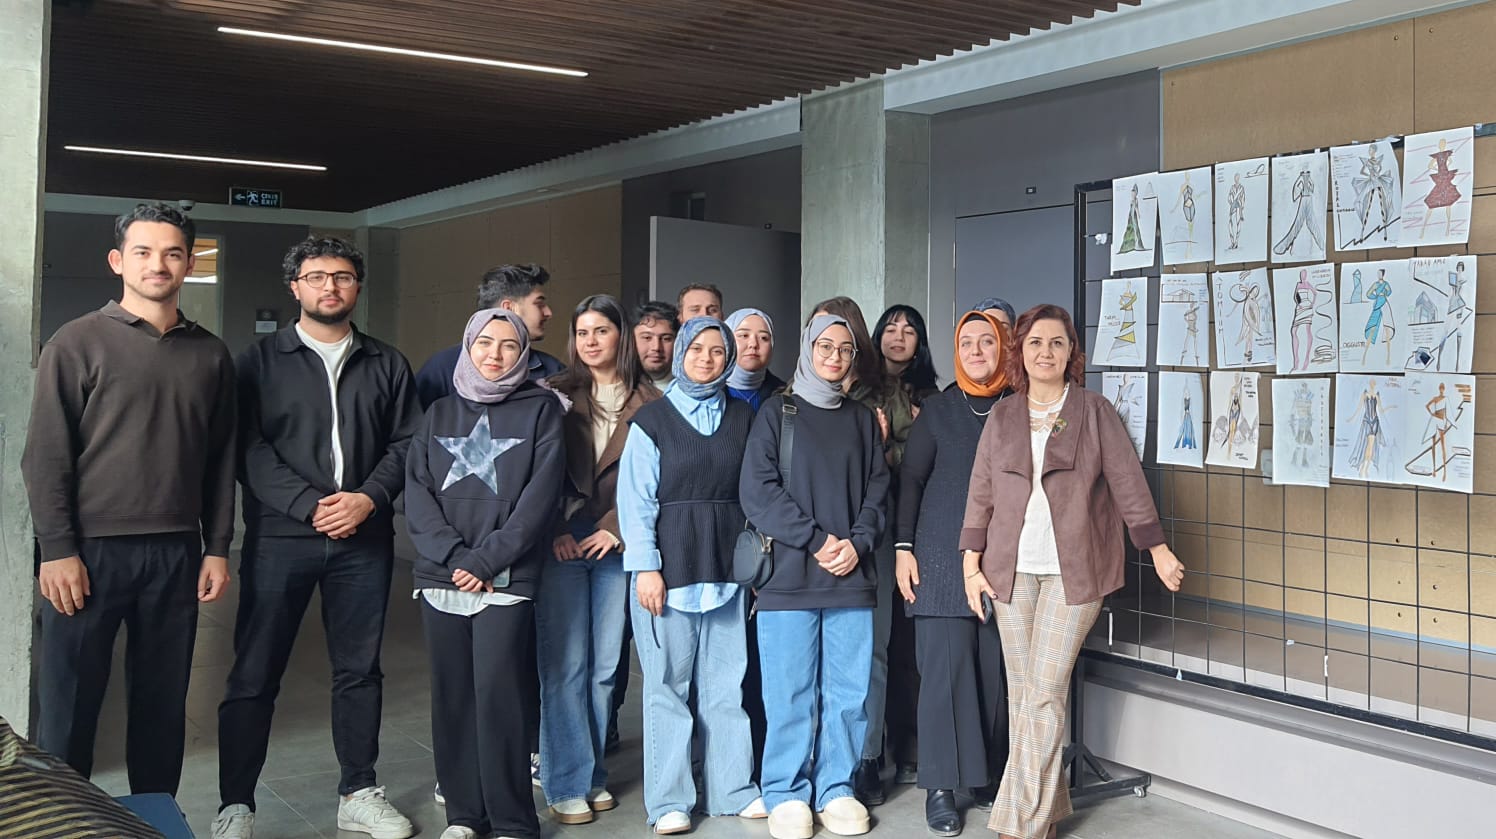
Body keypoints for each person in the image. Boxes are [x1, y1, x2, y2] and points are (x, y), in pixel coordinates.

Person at [22, 202, 236, 797]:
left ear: (189, 264)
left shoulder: (211, 354)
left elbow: (222, 460)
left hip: (175, 552)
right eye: (143, 252)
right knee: (69, 707)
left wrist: (217, 546)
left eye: (172, 253)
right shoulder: (75, 342)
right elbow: (45, 456)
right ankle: (66, 822)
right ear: (118, 261)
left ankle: (153, 818)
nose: (157, 264)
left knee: (162, 706)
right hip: (87, 555)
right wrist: (57, 550)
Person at [214, 237, 423, 839]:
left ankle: (358, 791)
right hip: (282, 537)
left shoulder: (386, 363)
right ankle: (236, 805)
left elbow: (407, 442)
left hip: (364, 537)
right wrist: (310, 506)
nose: (330, 286)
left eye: (343, 276)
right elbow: (247, 448)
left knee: (359, 670)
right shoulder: (258, 362)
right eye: (316, 276)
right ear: (295, 286)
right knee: (255, 671)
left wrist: (368, 498)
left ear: (357, 286)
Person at [960, 304, 1184, 839]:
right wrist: (971, 562)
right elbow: (981, 492)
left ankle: (1020, 823)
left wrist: (1156, 548)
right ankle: (1049, 811)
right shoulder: (1003, 417)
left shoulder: (1094, 411)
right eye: (1035, 343)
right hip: (1010, 572)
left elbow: (1128, 483)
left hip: (1075, 574)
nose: (1046, 352)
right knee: (1026, 695)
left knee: (1042, 692)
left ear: (1071, 353)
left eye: (1057, 343)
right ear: (1020, 352)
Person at [405, 308, 568, 839]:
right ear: (467, 347)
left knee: (501, 698)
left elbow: (539, 500)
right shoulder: (438, 413)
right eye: (484, 343)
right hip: (442, 577)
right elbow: (417, 495)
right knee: (452, 698)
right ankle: (463, 815)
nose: (495, 355)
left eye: (508, 345)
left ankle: (513, 821)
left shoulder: (542, 411)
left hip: (506, 578)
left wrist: (483, 561)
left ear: (523, 354)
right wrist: (455, 558)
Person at [740, 314, 890, 839]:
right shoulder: (776, 412)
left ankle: (836, 788)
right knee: (789, 692)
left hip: (851, 575)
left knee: (848, 692)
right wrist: (819, 541)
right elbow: (759, 492)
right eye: (825, 346)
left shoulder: (862, 420)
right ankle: (784, 791)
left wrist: (858, 542)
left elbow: (878, 491)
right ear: (807, 348)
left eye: (845, 349)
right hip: (788, 577)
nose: (834, 356)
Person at [618, 317, 767, 835]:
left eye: (716, 350)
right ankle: (669, 801)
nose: (706, 358)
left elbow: (756, 490)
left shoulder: (744, 417)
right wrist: (645, 568)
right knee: (667, 688)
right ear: (681, 353)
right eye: (697, 348)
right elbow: (635, 501)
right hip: (667, 569)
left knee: (726, 686)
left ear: (728, 359)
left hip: (726, 568)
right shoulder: (651, 420)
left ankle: (733, 789)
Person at [539, 294, 660, 824]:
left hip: (617, 543)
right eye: (582, 332)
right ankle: (566, 782)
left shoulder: (651, 401)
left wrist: (615, 528)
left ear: (621, 336)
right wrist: (557, 529)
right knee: (566, 665)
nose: (590, 341)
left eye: (601, 331)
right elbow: (535, 472)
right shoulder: (553, 394)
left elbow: (656, 479)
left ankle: (591, 775)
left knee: (606, 668)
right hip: (561, 540)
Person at [894, 310, 1013, 836]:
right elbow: (911, 481)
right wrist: (903, 548)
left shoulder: (1020, 407)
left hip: (1002, 560)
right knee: (943, 673)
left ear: (1004, 348)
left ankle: (985, 777)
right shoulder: (939, 410)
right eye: (967, 342)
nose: (977, 351)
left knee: (993, 672)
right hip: (939, 558)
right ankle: (941, 786)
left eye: (987, 341)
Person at [810, 298, 915, 803]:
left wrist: (885, 444)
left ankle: (866, 756)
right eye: (821, 338)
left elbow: (915, 461)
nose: (832, 350)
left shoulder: (888, 392)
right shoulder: (794, 398)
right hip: (815, 540)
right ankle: (819, 756)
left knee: (871, 650)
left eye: (843, 339)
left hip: (873, 534)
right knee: (815, 653)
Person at [415, 264, 564, 410]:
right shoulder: (441, 369)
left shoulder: (553, 371)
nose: (548, 312)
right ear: (509, 308)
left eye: (509, 346)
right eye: (539, 304)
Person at [873, 304, 940, 406]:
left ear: (919, 344)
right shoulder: (862, 385)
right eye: (891, 330)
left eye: (908, 332)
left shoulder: (931, 398)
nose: (899, 337)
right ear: (879, 338)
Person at [725, 307, 786, 411]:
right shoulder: (708, 393)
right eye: (744, 335)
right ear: (727, 341)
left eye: (763, 338)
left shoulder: (784, 394)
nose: (753, 344)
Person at [634, 300, 681, 392]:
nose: (656, 347)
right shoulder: (620, 387)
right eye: (647, 337)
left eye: (666, 339)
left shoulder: (690, 389)